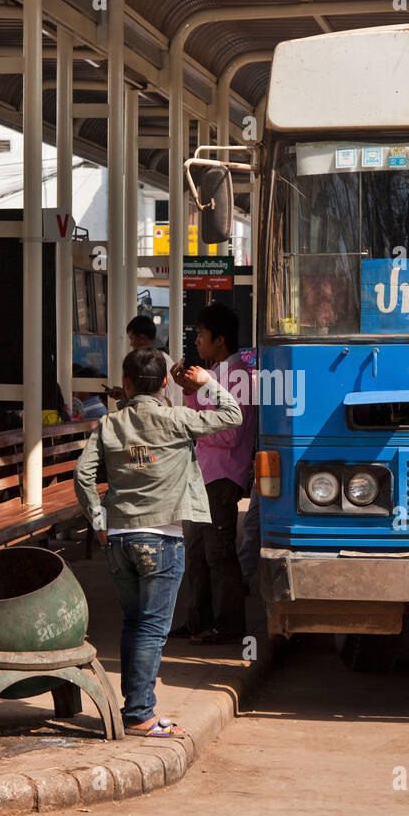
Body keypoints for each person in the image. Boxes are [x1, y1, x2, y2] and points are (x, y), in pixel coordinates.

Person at [73, 347, 242, 737]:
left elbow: (83, 477)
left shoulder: (110, 425)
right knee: (151, 629)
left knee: (134, 623)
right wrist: (206, 383)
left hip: (118, 540)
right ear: (166, 381)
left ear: (126, 383)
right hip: (162, 539)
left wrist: (99, 519)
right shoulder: (178, 419)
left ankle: (134, 706)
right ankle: (140, 714)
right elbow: (232, 416)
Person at [176, 303, 258, 644]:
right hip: (204, 475)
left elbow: (230, 432)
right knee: (195, 553)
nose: (197, 341)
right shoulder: (217, 374)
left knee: (219, 554)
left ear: (219, 340)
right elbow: (201, 416)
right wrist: (190, 392)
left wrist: (195, 420)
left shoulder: (238, 376)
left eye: (202, 335)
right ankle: (198, 620)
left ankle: (228, 625)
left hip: (222, 476)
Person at [105, 316, 185, 409]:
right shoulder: (162, 359)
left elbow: (153, 400)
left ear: (142, 338)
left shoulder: (153, 362)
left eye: (131, 339)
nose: (131, 344)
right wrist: (125, 395)